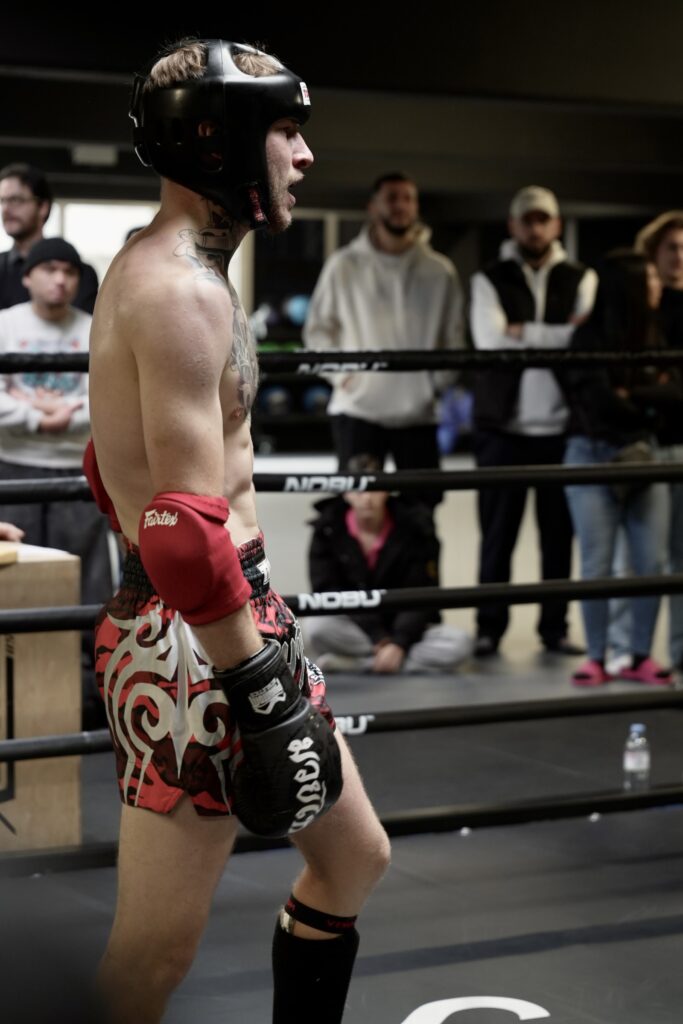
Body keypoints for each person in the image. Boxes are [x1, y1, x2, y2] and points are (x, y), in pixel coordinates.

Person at [84, 38, 390, 1024]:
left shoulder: (183, 271)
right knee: (153, 955)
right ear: (219, 143)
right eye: (284, 132)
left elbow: (113, 463)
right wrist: (257, 689)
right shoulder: (177, 288)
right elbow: (180, 532)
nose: (303, 155)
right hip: (196, 643)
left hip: (234, 618)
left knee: (353, 857)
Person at [469, 184, 598, 658]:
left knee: (559, 539)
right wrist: (555, 334)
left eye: (544, 219)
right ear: (514, 226)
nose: (536, 228)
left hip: (563, 429)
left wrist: (521, 331)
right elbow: (489, 339)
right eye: (528, 220)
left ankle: (554, 628)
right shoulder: (490, 277)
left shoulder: (581, 276)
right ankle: (489, 628)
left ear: (557, 225)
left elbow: (582, 340)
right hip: (502, 430)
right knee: (497, 538)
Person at [303, 171, 464, 505]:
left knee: (421, 512)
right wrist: (343, 375)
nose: (400, 206)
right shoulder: (343, 265)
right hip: (358, 410)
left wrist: (434, 383)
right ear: (373, 206)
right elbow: (318, 330)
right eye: (391, 198)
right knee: (355, 511)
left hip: (418, 412)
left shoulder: (439, 270)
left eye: (408, 199)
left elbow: (455, 336)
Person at [563, 249, 679, 686]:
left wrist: (637, 399)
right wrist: (648, 401)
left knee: (652, 562)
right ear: (629, 286)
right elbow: (599, 404)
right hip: (591, 454)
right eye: (649, 279)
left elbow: (676, 397)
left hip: (644, 454)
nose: (657, 285)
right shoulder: (588, 339)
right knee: (597, 564)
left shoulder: (656, 334)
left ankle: (639, 655)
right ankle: (596, 656)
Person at [0, 236, 112, 607]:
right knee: (14, 575)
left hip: (77, 468)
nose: (60, 279)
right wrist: (38, 418)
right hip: (13, 466)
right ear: (27, 277)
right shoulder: (5, 325)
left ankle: (85, 648)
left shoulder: (96, 329)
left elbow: (110, 398)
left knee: (85, 580)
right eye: (49, 269)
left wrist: (49, 410)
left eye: (69, 272)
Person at [306, 455, 472, 674]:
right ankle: (396, 661)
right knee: (316, 628)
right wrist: (380, 638)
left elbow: (423, 592)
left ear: (386, 490)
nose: (367, 498)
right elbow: (328, 591)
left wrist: (400, 642)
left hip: (406, 628)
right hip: (359, 627)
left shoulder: (415, 526)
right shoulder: (327, 528)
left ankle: (360, 665)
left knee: (459, 643)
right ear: (346, 493)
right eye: (358, 491)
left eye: (374, 489)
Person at [635, 212, 683, 671]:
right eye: (672, 247)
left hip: (678, 443)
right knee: (645, 560)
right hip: (647, 445)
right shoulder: (641, 308)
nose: (680, 257)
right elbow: (631, 382)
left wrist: (656, 387)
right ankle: (632, 654)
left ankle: (681, 654)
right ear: (653, 254)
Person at [0, 163, 99, 313]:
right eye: (2, 201)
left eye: (16, 200)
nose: (6, 209)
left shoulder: (80, 274)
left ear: (43, 207)